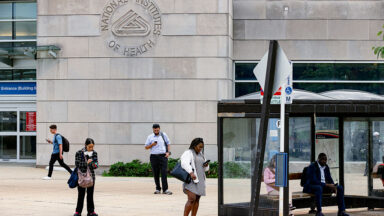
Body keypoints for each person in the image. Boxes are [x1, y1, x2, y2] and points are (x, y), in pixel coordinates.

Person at [181, 137, 209, 216]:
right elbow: (184, 163)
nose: (200, 148)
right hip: (191, 179)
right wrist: (191, 172)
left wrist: (206, 165)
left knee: (197, 200)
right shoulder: (188, 152)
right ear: (194, 145)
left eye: (202, 147)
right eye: (199, 147)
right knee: (191, 199)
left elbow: (206, 169)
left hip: (200, 180)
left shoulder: (201, 154)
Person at [144, 123, 172, 195]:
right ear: (153, 129)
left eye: (157, 129)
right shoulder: (150, 137)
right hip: (154, 156)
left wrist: (168, 152)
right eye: (154, 129)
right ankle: (158, 189)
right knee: (155, 173)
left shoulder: (163, 135)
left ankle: (165, 189)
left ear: (159, 129)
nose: (156, 130)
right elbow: (146, 147)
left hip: (163, 156)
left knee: (164, 173)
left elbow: (168, 143)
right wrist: (152, 145)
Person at [74, 138, 99, 216]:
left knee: (90, 195)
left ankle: (91, 211)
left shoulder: (94, 153)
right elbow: (77, 164)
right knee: (81, 194)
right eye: (89, 147)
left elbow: (96, 165)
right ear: (85, 145)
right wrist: (86, 163)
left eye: (92, 147)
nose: (91, 148)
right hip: (81, 176)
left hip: (91, 177)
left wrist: (92, 163)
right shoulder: (79, 153)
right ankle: (78, 211)